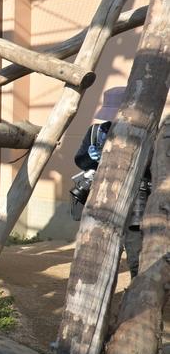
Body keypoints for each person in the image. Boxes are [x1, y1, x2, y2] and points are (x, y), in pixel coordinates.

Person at [74, 86, 148, 277]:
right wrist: (92, 158)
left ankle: (135, 295)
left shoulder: (144, 133)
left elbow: (152, 168)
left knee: (136, 255)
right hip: (103, 198)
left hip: (135, 202)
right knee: (101, 255)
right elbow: (80, 159)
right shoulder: (95, 131)